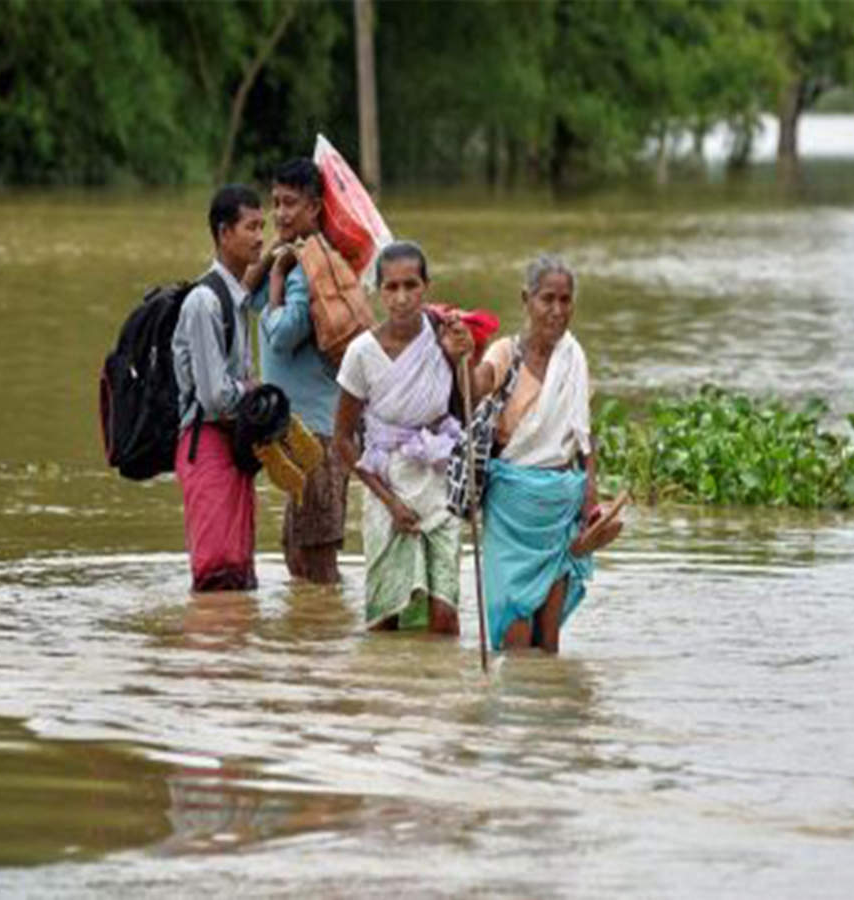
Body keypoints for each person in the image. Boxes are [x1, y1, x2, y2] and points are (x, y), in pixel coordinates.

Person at [449, 254, 621, 654]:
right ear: (526, 299)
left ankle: (547, 710)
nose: (557, 311)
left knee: (548, 647)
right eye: (547, 299)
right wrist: (465, 356)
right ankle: (519, 712)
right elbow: (476, 385)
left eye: (565, 300)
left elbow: (584, 433)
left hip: (560, 509)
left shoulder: (573, 358)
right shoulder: (506, 353)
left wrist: (590, 494)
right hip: (512, 513)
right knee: (515, 633)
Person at [332, 241, 466, 634]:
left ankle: (437, 689)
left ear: (426, 286)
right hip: (385, 484)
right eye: (391, 288)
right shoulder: (361, 353)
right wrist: (390, 502)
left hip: (438, 482)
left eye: (411, 286)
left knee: (445, 616)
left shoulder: (445, 339)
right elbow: (342, 440)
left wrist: (460, 358)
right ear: (377, 291)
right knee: (385, 613)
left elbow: (463, 410)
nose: (402, 298)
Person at [245, 159, 349, 584]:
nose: (281, 214)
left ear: (315, 208)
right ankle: (309, 642)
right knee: (297, 556)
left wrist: (276, 279)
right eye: (276, 204)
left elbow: (284, 332)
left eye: (291, 204)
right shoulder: (292, 260)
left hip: (319, 435)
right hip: (303, 435)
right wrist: (272, 258)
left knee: (317, 562)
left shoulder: (308, 268)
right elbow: (245, 299)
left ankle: (327, 642)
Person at [171, 184, 264, 591]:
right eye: (251, 227)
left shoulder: (237, 299)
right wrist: (253, 391)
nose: (261, 237)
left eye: (263, 226)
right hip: (205, 442)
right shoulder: (204, 302)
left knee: (239, 574)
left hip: (233, 445)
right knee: (214, 572)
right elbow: (213, 396)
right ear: (224, 234)